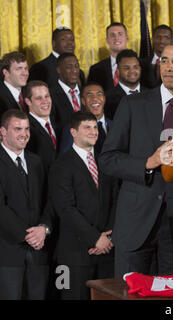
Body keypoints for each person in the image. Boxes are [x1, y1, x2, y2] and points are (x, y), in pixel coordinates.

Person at [99, 39, 173, 277]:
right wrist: (148, 163)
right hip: (135, 221)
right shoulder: (132, 104)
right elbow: (107, 159)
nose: (168, 67)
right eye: (164, 61)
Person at [49, 111, 118, 300]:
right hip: (74, 256)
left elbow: (115, 200)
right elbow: (65, 209)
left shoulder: (104, 163)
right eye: (87, 127)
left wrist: (108, 237)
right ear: (73, 132)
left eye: (95, 127)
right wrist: (95, 238)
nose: (93, 131)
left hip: (106, 252)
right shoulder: (61, 166)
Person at [0, 109, 53, 299]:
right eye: (17, 129)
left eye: (27, 129)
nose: (24, 134)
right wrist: (29, 236)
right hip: (7, 254)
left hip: (38, 253)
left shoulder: (36, 162)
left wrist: (43, 229)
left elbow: (48, 201)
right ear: (3, 132)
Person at [60, 82, 112, 155]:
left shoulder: (115, 125)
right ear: (83, 101)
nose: (95, 98)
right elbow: (65, 159)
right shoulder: (72, 129)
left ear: (104, 98)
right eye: (89, 95)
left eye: (99, 94)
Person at [25, 81, 59, 172]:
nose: (45, 101)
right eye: (39, 98)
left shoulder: (59, 123)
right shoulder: (25, 129)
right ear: (28, 101)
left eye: (47, 96)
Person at [87, 22, 129, 92]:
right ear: (107, 40)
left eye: (120, 34)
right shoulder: (95, 70)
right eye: (112, 35)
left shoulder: (142, 66)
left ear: (127, 38)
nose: (116, 38)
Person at [49, 53, 84, 134]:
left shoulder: (85, 93)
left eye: (76, 66)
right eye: (69, 67)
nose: (74, 71)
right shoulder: (50, 95)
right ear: (58, 70)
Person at [104, 49, 143, 119]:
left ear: (140, 69)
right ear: (118, 71)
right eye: (126, 68)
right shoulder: (107, 99)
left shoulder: (153, 94)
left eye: (135, 67)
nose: (132, 71)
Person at [0, 52, 29, 116]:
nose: (25, 73)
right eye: (19, 69)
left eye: (26, 68)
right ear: (6, 72)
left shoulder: (30, 91)